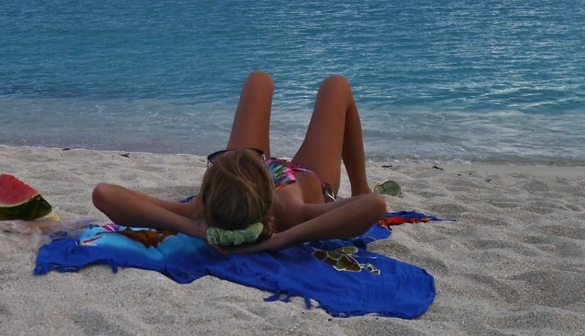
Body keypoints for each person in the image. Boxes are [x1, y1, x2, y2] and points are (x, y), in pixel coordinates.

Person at [92, 71, 386, 253]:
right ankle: (359, 184)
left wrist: (195, 229)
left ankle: (244, 160)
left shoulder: (201, 210)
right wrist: (281, 240)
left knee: (259, 79)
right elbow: (373, 206)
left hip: (244, 174)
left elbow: (104, 194)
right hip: (308, 175)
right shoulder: (291, 211)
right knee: (336, 86)